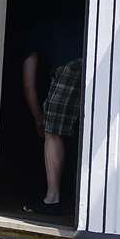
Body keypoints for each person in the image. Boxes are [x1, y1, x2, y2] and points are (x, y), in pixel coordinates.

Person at [21, 18, 81, 216]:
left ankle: (52, 199)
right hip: (91, 56)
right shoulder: (56, 29)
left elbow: (29, 85)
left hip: (71, 65)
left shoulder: (33, 38)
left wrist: (39, 118)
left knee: (53, 131)